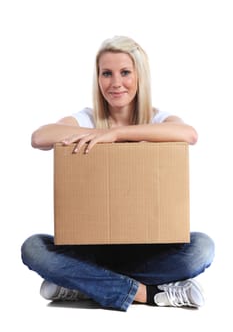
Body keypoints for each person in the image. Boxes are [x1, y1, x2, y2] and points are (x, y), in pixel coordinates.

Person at [21, 35, 215, 311]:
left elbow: (189, 134)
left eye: (125, 72)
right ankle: (148, 294)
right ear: (98, 78)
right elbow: (40, 137)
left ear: (140, 76)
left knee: (202, 248)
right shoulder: (86, 119)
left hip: (150, 248)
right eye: (106, 74)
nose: (115, 83)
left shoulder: (157, 119)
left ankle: (81, 284)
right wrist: (100, 133)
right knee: (33, 247)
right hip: (93, 249)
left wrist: (118, 134)